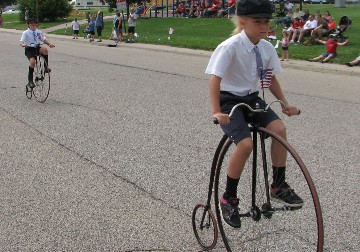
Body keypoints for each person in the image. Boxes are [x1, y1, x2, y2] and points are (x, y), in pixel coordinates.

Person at [205, 0, 303, 229]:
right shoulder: (230, 46)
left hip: (251, 97)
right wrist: (217, 111)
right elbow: (215, 80)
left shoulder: (267, 48)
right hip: (229, 99)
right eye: (257, 22)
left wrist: (284, 104)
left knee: (279, 129)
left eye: (266, 22)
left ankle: (278, 185)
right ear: (242, 22)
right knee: (245, 144)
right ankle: (228, 197)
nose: (263, 26)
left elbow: (270, 79)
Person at [19, 18, 55, 89]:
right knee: (32, 62)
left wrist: (49, 44)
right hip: (29, 49)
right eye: (31, 23)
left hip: (37, 47)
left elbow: (43, 39)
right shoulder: (25, 33)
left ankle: (45, 67)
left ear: (36, 24)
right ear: (28, 25)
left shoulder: (38, 32)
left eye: (34, 23)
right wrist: (23, 45)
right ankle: (30, 81)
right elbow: (21, 41)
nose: (33, 25)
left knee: (44, 50)